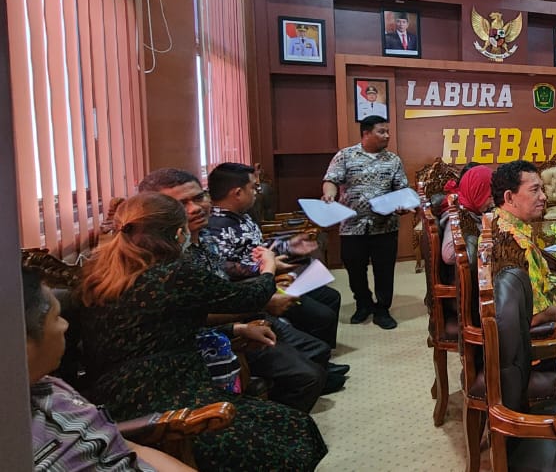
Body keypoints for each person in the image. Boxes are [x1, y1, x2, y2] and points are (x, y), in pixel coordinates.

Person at [77, 193, 327, 470]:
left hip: (117, 396)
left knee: (291, 422)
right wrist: (268, 266)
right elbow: (248, 298)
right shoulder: (175, 273)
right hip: (168, 396)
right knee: (294, 432)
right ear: (177, 233)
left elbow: (161, 328)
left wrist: (235, 327)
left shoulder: (99, 273)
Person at [139, 167, 342, 408]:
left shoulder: (205, 238)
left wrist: (280, 256)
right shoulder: (161, 260)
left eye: (198, 197)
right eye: (181, 203)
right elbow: (192, 315)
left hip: (245, 306)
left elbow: (232, 273)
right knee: (308, 375)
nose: (195, 208)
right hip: (207, 339)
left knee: (317, 346)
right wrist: (264, 281)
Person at [25, 265, 193, 472]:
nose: (65, 326)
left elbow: (126, 448)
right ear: (24, 341)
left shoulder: (52, 387)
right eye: (57, 316)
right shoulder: (18, 448)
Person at [204, 163, 345, 355]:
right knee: (323, 316)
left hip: (270, 275)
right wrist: (265, 267)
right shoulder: (215, 227)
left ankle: (322, 355)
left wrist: (289, 245)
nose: (257, 192)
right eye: (254, 187)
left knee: (331, 297)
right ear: (237, 193)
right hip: (254, 288)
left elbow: (260, 246)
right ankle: (317, 357)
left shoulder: (242, 217)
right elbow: (222, 268)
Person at [323, 115, 411, 330]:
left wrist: (403, 204)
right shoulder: (345, 156)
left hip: (385, 226)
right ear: (366, 133)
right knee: (355, 269)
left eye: (387, 131)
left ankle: (382, 309)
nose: (387, 135)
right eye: (382, 131)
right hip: (352, 227)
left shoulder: (393, 160)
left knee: (384, 270)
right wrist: (329, 196)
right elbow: (331, 180)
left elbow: (402, 189)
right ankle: (363, 303)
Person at [490, 160, 556, 327]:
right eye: (535, 190)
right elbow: (535, 314)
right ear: (509, 197)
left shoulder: (494, 221)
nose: (543, 196)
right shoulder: (516, 244)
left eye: (541, 189)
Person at [441, 165, 494, 265]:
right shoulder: (458, 214)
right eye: (489, 196)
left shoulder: (477, 209)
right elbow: (448, 256)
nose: (492, 201)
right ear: (476, 193)